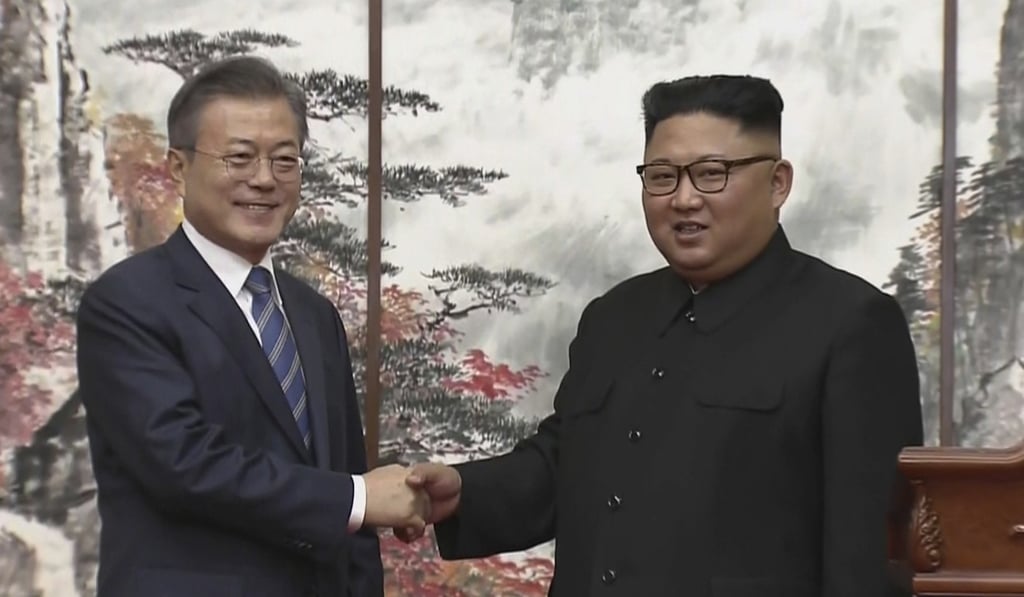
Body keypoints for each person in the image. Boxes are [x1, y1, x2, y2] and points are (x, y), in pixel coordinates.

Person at [398, 75, 924, 596]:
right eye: (662, 176)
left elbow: (868, 560)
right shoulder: (613, 317)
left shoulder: (851, 324)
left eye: (712, 174)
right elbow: (569, 469)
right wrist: (463, 491)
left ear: (778, 183)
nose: (684, 198)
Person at [76, 56, 427, 597]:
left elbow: (344, 490)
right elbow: (183, 465)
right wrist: (359, 499)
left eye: (285, 160)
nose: (264, 179)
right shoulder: (126, 303)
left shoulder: (313, 315)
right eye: (239, 157)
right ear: (178, 167)